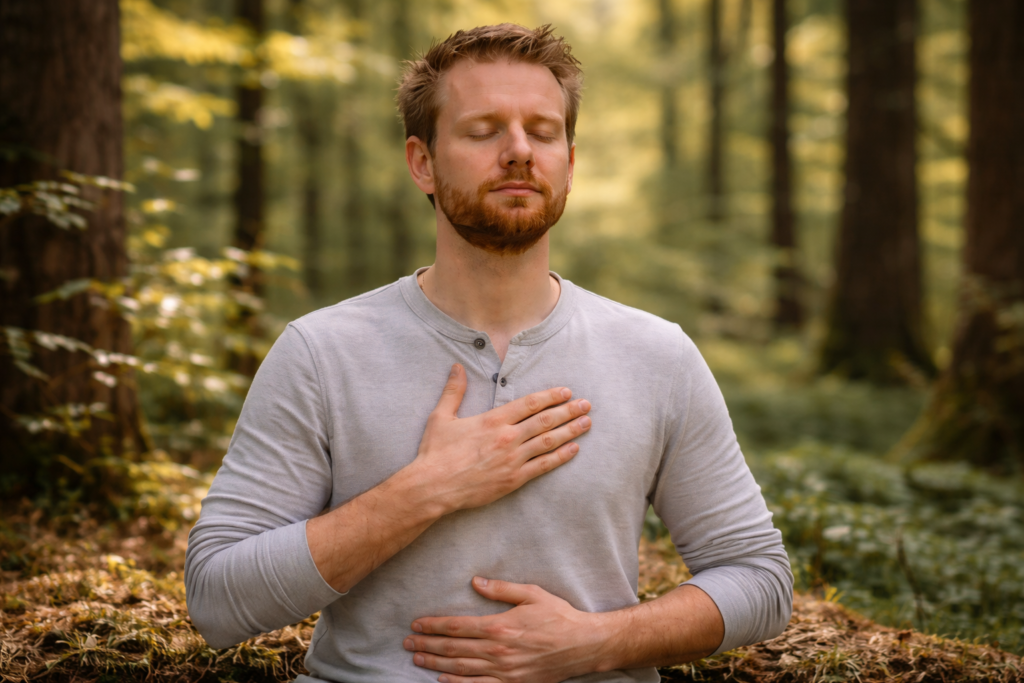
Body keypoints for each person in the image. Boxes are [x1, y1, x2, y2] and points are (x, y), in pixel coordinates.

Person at [185, 23, 793, 683]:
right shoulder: (322, 351)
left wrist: (598, 641)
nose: (519, 151)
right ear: (422, 161)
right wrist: (424, 491)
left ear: (570, 157)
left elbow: (760, 579)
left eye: (543, 130)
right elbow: (216, 600)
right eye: (483, 131)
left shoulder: (656, 355)